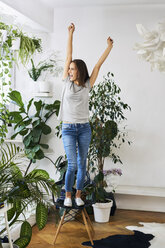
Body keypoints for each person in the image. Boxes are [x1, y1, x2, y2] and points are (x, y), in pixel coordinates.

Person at [58, 23, 113, 207]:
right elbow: (68, 56)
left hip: (84, 129)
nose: (69, 71)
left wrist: (109, 47)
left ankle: (79, 195)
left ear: (79, 71)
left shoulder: (87, 85)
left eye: (73, 69)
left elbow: (98, 65)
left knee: (83, 164)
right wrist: (71, 34)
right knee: (72, 165)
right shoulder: (66, 82)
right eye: (69, 68)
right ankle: (68, 195)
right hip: (68, 128)